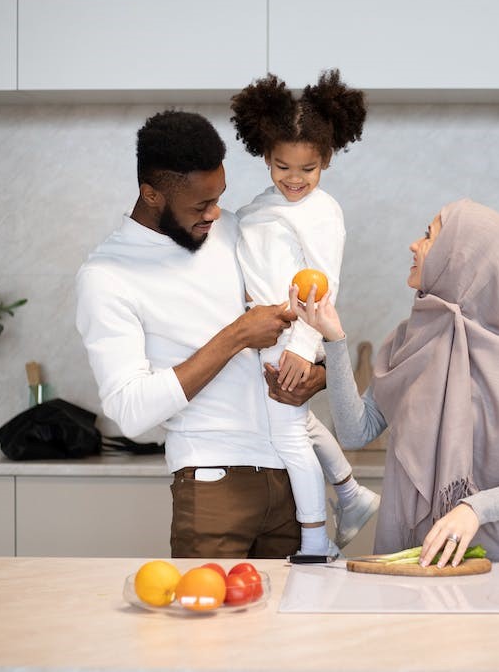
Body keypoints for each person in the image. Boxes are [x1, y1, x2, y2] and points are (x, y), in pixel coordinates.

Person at [76, 109, 326, 559]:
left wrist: (317, 372)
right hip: (212, 486)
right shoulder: (107, 276)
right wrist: (235, 336)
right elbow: (130, 412)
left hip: (291, 479)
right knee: (207, 630)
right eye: (199, 205)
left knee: (294, 628)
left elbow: (294, 322)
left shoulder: (232, 229)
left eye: (219, 198)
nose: (215, 214)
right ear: (151, 194)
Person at [288, 199, 499, 566]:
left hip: (493, 563)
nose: (414, 244)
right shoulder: (407, 339)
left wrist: (472, 510)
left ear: (459, 257)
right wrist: (334, 340)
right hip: (411, 555)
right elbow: (355, 431)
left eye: (429, 236)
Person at [230, 70, 380, 555]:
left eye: (307, 169)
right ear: (265, 157)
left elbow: (323, 280)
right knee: (295, 425)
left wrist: (300, 347)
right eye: (282, 166)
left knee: (289, 437)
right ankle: (351, 493)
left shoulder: (321, 211)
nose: (294, 180)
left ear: (327, 160)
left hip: (290, 336)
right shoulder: (261, 206)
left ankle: (317, 542)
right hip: (264, 335)